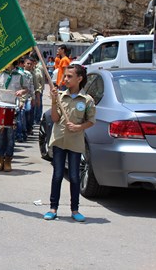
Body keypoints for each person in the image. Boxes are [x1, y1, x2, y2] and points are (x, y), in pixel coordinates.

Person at [44, 64, 95, 222]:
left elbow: (91, 121)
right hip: (59, 140)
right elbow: (54, 118)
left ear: (79, 79)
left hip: (75, 143)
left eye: (69, 76)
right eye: (64, 76)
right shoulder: (60, 96)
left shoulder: (87, 100)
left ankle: (75, 209)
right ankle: (53, 208)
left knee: (74, 176)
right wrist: (53, 101)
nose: (65, 79)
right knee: (57, 175)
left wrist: (79, 126)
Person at [0, 60, 29, 172]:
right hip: (1, 107)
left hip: (12, 109)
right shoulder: (0, 74)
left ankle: (8, 160)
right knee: (0, 135)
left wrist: (22, 92)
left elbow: (27, 89)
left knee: (10, 136)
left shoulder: (21, 76)